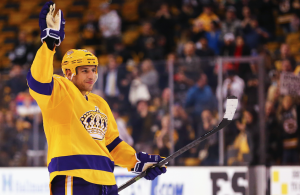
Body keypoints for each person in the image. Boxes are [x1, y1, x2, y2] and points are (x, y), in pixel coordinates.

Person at [27, 2, 166, 194]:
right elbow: (37, 81)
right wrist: (49, 43)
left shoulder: (99, 103)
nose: (91, 75)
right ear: (69, 72)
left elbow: (112, 145)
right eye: (84, 71)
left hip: (107, 183)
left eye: (94, 70)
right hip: (74, 178)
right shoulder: (59, 90)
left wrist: (138, 162)